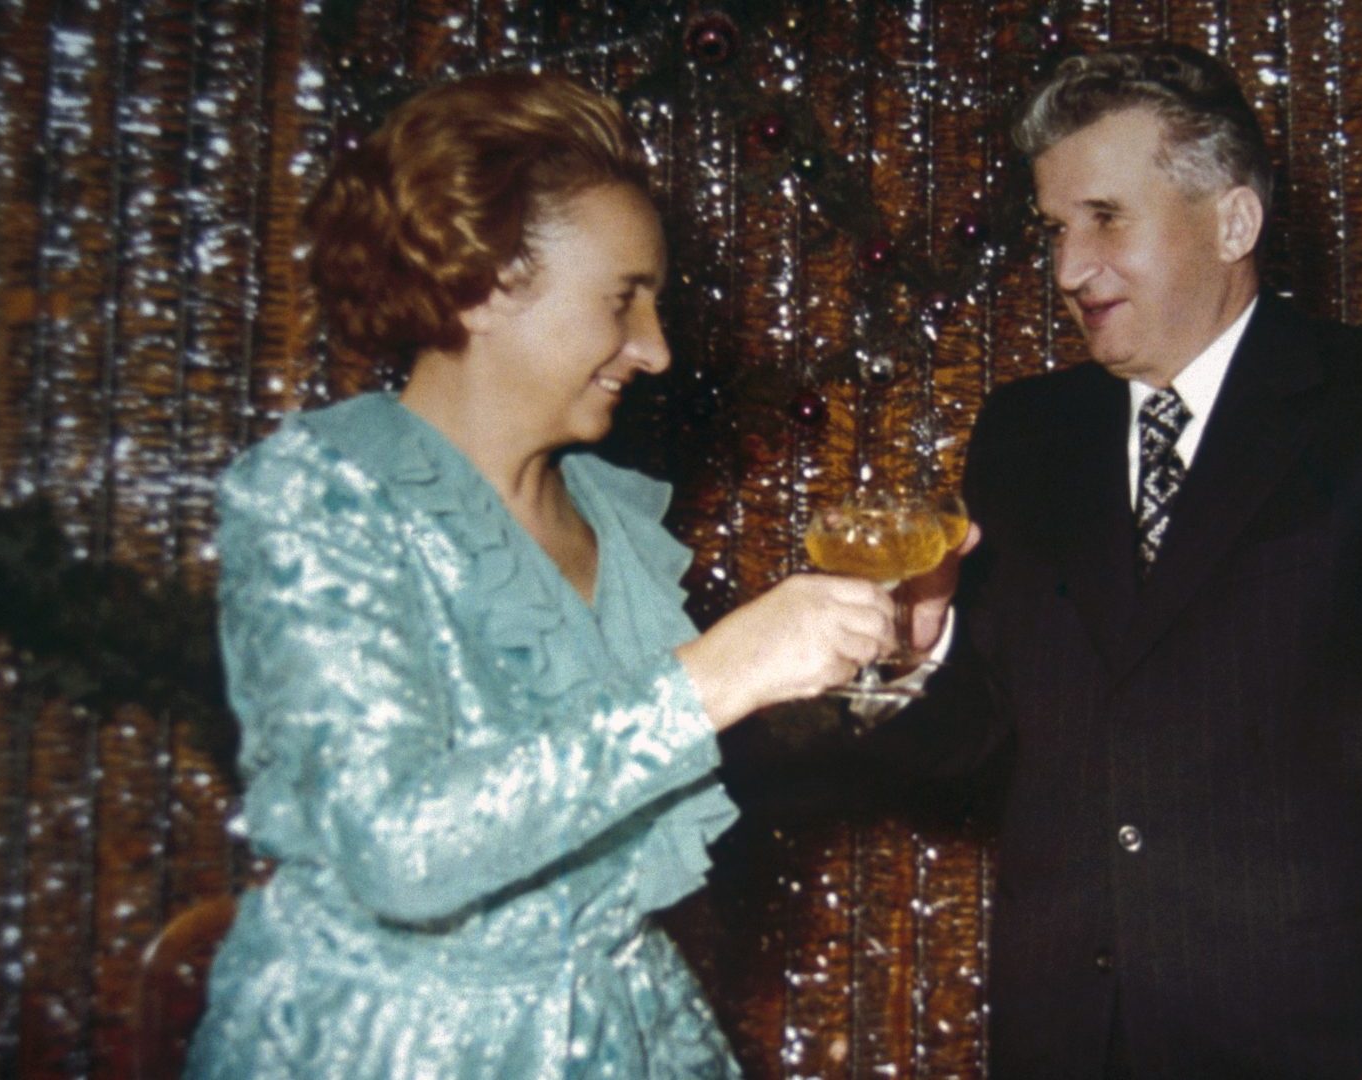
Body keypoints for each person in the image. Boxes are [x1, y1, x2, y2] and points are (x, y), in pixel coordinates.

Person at [184, 71, 895, 1078]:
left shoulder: (613, 509)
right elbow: (397, 849)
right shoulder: (322, 497)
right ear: (481, 284)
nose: (654, 349)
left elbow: (650, 768)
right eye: (623, 300)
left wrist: (866, 658)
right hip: (389, 1046)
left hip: (613, 1022)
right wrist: (719, 673)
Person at [883, 43, 1362, 1080]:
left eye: (1106, 219)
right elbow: (975, 740)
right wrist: (906, 660)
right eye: (1058, 229)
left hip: (1317, 1047)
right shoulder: (1024, 433)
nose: (1067, 269)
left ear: (1234, 221)